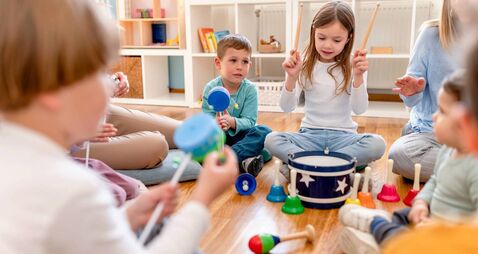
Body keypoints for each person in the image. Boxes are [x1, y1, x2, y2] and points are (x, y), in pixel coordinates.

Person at [0, 0, 238, 253]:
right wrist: (202, 200)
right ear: (51, 90)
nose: (109, 83)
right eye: (98, 73)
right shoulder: (73, 190)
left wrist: (130, 215)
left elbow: (77, 238)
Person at [338, 71, 478, 253]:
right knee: (402, 215)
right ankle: (384, 227)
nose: (434, 117)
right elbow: (436, 181)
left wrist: (440, 230)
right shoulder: (448, 150)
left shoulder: (473, 166)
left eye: (442, 112)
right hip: (431, 216)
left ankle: (377, 229)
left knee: (409, 241)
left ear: (465, 122)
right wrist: (421, 203)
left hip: (449, 240)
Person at [264, 1, 385, 180]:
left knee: (377, 144)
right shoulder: (303, 63)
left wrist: (358, 76)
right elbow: (287, 108)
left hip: (344, 137)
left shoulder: (355, 64)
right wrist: (291, 77)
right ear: (313, 32)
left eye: (337, 40)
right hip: (310, 136)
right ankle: (339, 168)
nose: (327, 45)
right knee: (271, 139)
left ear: (349, 37)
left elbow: (359, 110)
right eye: (321, 38)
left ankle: (304, 166)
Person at [388, 0, 464, 181]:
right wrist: (412, 91)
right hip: (432, 132)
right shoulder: (431, 35)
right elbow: (411, 100)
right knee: (400, 155)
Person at [201, 34, 272, 177]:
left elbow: (250, 121)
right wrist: (215, 123)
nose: (239, 67)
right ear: (218, 63)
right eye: (233, 60)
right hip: (219, 137)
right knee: (203, 142)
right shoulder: (211, 88)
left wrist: (232, 122)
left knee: (264, 132)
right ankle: (243, 161)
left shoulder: (250, 89)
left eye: (245, 61)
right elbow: (206, 122)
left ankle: (227, 159)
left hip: (241, 136)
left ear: (249, 65)